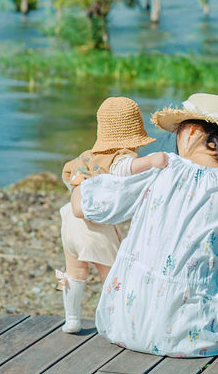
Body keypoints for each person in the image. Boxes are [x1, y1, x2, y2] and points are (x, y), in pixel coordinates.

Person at [71, 92, 218, 356]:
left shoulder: (161, 168)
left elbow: (81, 204)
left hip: (120, 321)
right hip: (190, 335)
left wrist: (83, 178)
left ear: (189, 133)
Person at [58, 96, 168, 333]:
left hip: (69, 223)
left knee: (75, 273)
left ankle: (72, 319)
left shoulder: (86, 157)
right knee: (112, 276)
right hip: (95, 228)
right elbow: (123, 169)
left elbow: (69, 179)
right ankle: (120, 320)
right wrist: (151, 161)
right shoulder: (120, 157)